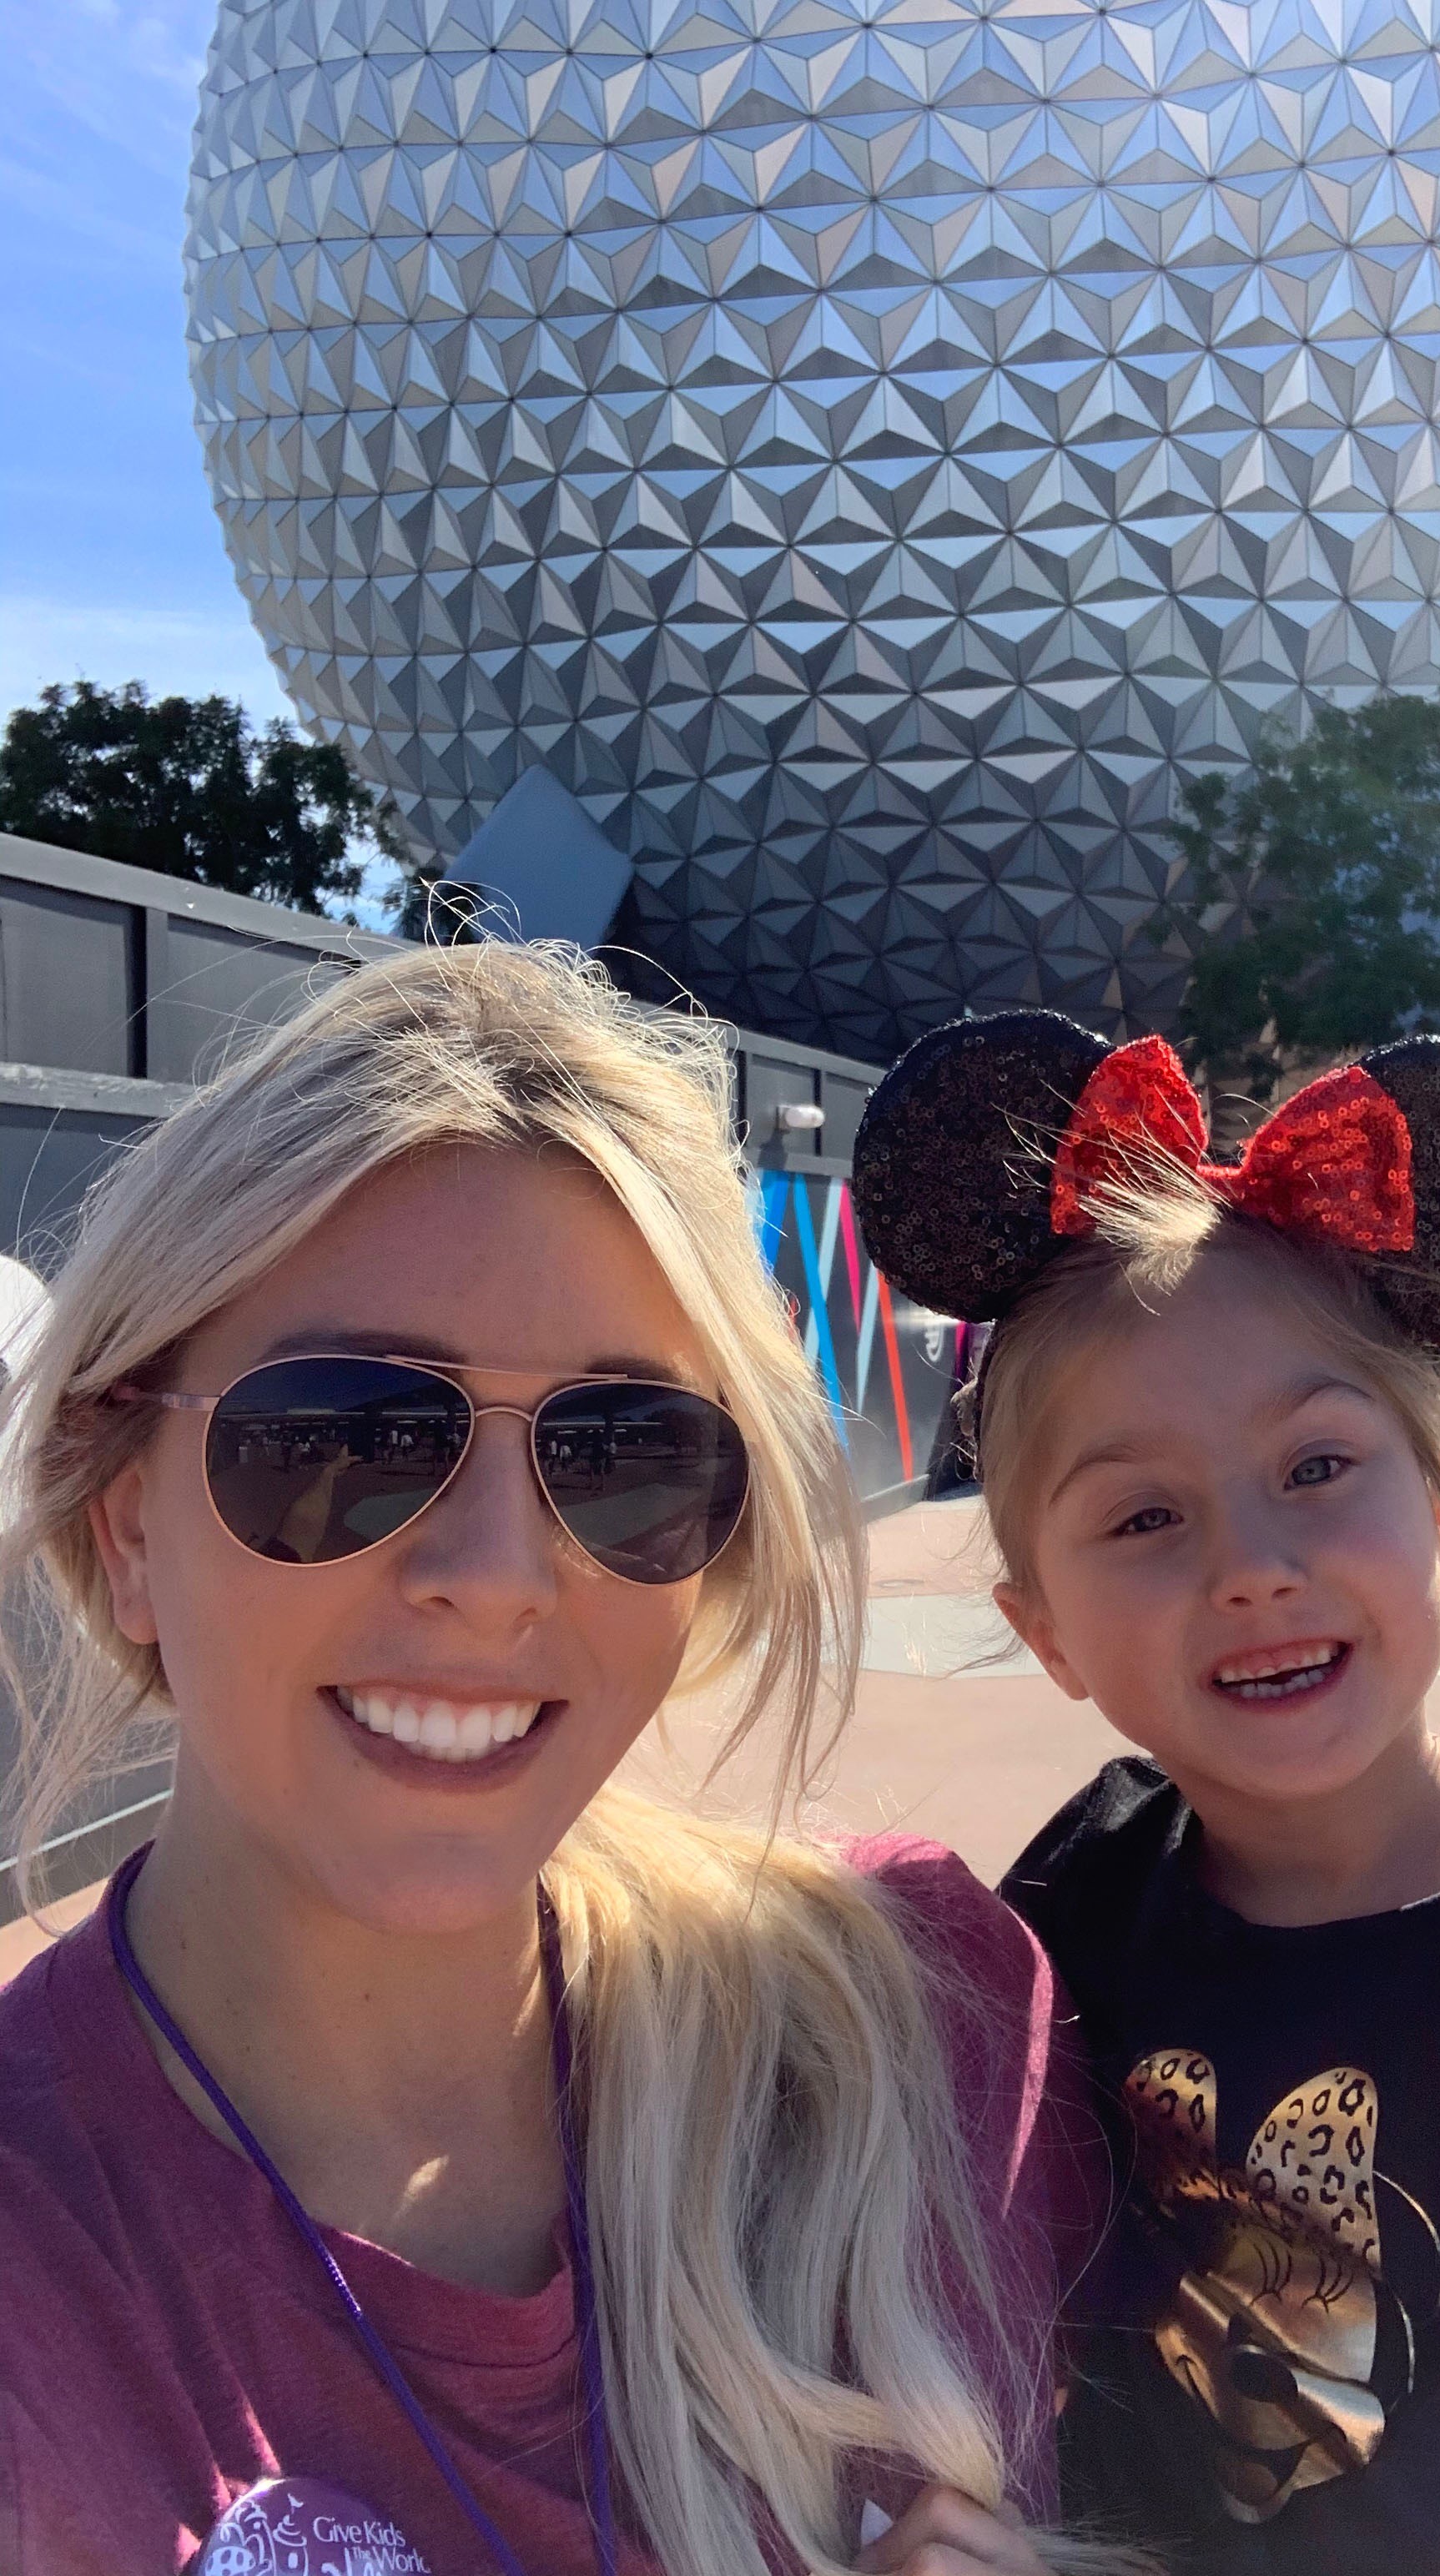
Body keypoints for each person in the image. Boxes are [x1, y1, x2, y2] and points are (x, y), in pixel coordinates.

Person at [0, 948, 1104, 2576]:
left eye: (623, 1451)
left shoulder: (915, 2030)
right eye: (352, 1433)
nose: (501, 1571)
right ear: (127, 1523)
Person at [854, 1015, 1440, 2576]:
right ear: (1045, 1631)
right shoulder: (1085, 1888)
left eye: (1321, 1466)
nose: (1253, 1566)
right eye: (1143, 1513)